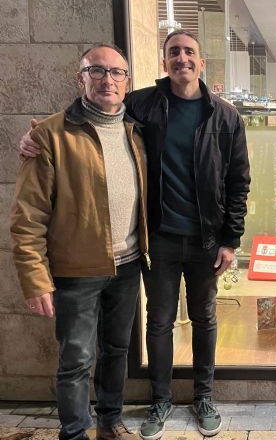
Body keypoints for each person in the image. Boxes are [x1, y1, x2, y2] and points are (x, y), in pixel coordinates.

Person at [19, 30, 251, 440]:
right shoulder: (143, 105)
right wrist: (35, 135)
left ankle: (204, 396)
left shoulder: (225, 117)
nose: (182, 58)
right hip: (157, 240)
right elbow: (86, 115)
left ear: (202, 62)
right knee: (157, 323)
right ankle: (159, 400)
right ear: (164, 62)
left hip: (204, 241)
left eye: (190, 52)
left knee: (203, 319)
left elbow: (238, 182)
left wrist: (230, 240)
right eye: (174, 52)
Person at [11, 44, 147, 440]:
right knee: (76, 359)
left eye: (117, 72)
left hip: (128, 264)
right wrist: (34, 279)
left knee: (117, 351)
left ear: (127, 81)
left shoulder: (136, 132)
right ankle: (74, 433)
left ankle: (110, 422)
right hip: (77, 271)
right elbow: (28, 215)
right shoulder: (50, 135)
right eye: (97, 71)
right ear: (80, 78)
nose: (108, 80)